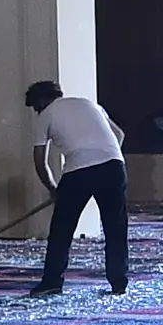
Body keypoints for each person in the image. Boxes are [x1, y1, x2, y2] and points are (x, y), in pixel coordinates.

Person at [23, 79, 130, 296]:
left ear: (41, 101)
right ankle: (119, 283)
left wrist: (52, 188)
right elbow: (119, 135)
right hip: (114, 166)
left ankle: (52, 282)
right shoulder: (90, 104)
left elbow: (39, 159)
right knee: (115, 228)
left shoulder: (47, 113)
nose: (36, 112)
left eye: (35, 108)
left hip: (79, 171)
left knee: (62, 230)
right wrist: (105, 155)